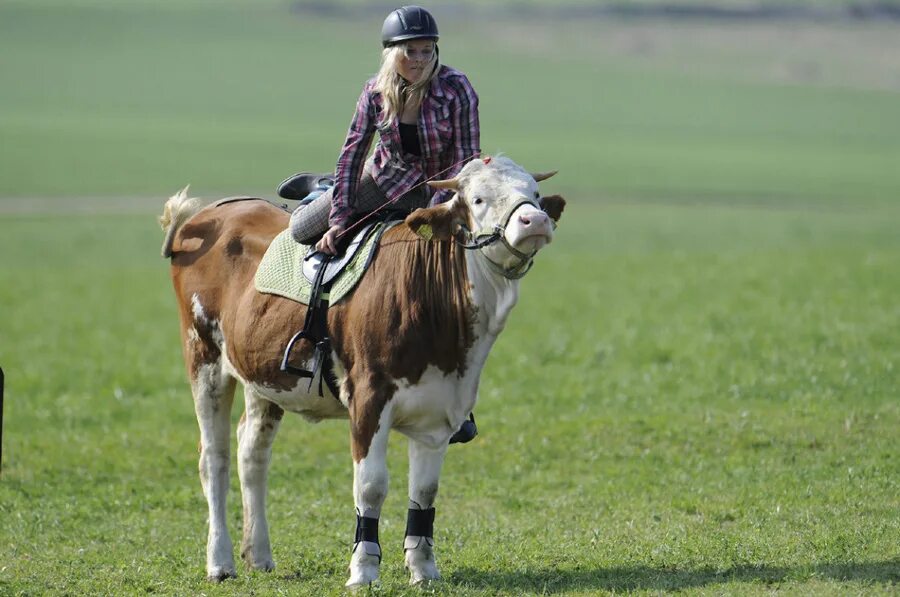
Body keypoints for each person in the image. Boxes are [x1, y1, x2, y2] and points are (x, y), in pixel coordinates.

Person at [283, 5, 480, 443]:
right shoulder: (374, 92)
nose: (420, 60)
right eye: (410, 51)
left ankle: (460, 402)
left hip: (437, 193)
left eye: (427, 51)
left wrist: (441, 212)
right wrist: (338, 218)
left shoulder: (457, 88)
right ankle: (323, 193)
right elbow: (353, 153)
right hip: (382, 181)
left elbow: (466, 159)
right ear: (391, 52)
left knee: (461, 283)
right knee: (301, 230)